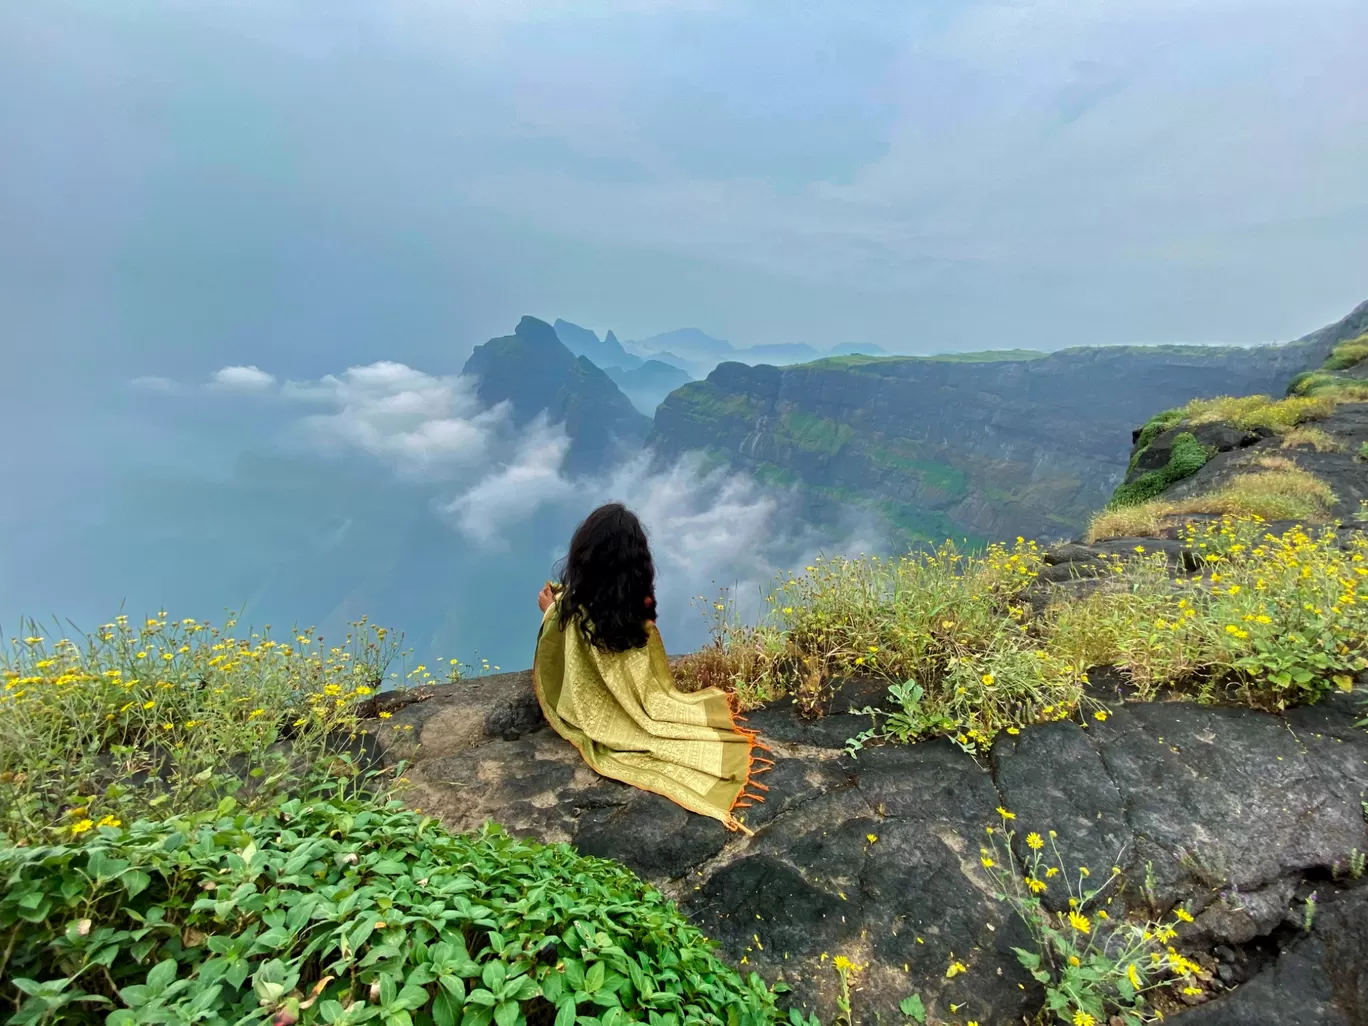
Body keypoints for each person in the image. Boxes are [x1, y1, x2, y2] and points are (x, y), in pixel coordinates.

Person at [532, 503, 771, 832]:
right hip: (643, 696)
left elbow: (561, 647)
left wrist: (551, 611)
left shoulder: (572, 614)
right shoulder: (634, 605)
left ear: (583, 556)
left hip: (602, 713)